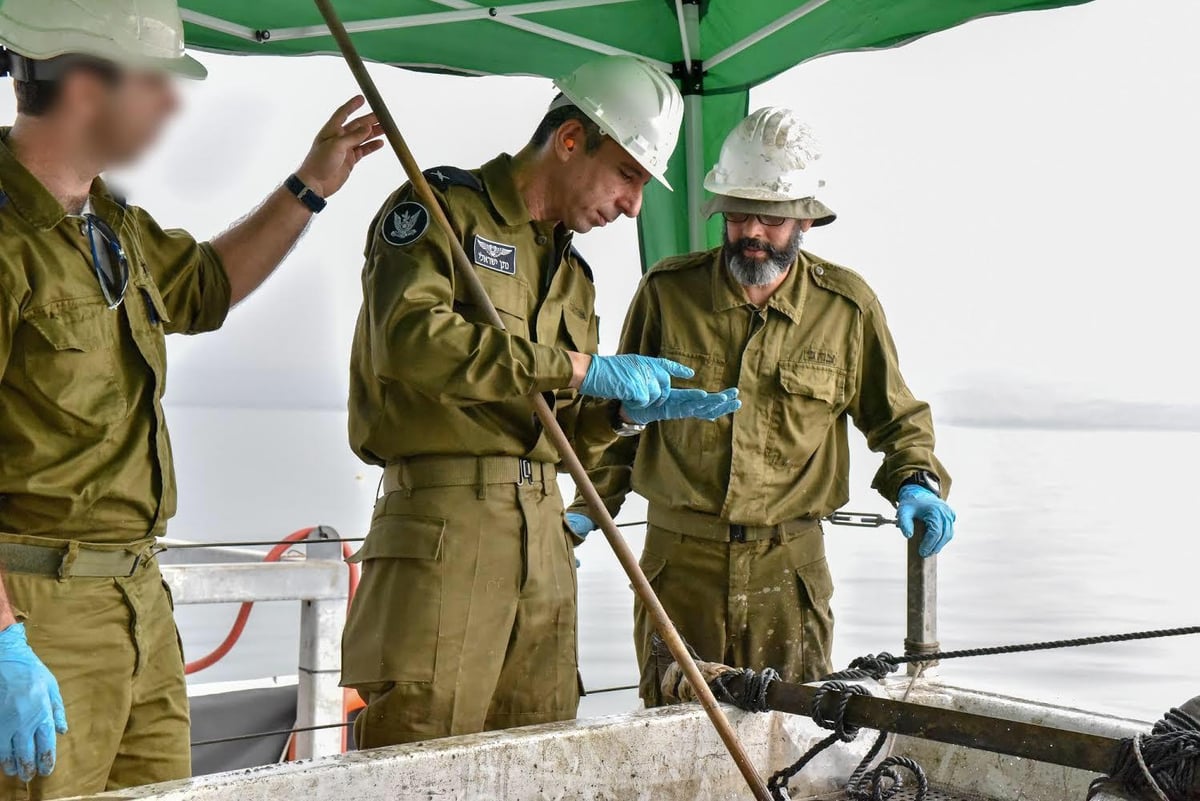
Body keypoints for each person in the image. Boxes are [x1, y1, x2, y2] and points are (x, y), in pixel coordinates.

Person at [0, 0, 383, 795]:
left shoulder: (108, 224)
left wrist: (310, 187)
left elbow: (205, 286)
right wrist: (3, 639)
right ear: (84, 86)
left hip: (140, 598)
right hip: (37, 611)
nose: (172, 102)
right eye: (155, 81)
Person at [343, 54, 740, 748]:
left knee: (541, 752)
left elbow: (563, 435)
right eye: (628, 174)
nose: (633, 204)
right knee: (419, 755)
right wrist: (579, 366)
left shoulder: (575, 277)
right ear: (569, 140)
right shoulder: (441, 209)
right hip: (444, 526)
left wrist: (617, 417)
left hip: (546, 536)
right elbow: (409, 343)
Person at [565, 107, 957, 705]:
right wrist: (588, 508)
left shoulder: (847, 309)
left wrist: (918, 481)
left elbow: (897, 419)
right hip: (679, 563)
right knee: (671, 731)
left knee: (791, 732)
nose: (753, 232)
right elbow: (623, 422)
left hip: (790, 567)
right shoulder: (667, 293)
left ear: (804, 221)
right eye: (740, 214)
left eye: (771, 219)